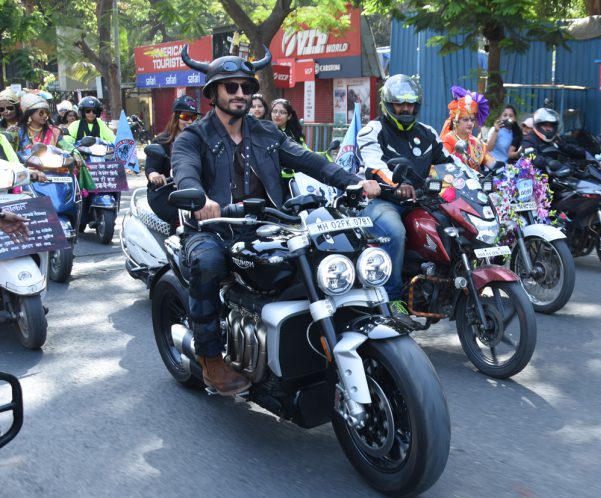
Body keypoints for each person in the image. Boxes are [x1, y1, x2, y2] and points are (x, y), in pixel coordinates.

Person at [176, 46, 380, 396]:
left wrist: (353, 181)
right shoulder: (193, 136)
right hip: (213, 229)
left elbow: (311, 161)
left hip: (266, 225)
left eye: (246, 87)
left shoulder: (266, 133)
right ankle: (210, 356)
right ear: (213, 92)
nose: (240, 93)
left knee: (320, 255)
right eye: (231, 87)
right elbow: (185, 170)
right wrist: (200, 199)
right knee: (207, 263)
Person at [357, 73, 453, 307]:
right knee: (395, 231)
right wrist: (397, 186)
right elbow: (375, 167)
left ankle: (447, 285)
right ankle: (390, 299)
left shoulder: (427, 133)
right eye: (400, 104)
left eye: (411, 104)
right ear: (388, 104)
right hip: (383, 201)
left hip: (420, 200)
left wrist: (478, 179)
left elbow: (450, 164)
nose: (406, 109)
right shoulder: (373, 130)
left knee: (454, 225)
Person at [145, 95, 200, 225]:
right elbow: (151, 167)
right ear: (176, 117)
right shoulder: (162, 141)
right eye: (185, 117)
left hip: (194, 191)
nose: (190, 121)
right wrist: (155, 176)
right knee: (180, 221)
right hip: (167, 192)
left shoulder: (200, 141)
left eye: (193, 117)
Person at [519, 107, 588, 171]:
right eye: (545, 125)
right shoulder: (529, 139)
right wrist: (549, 162)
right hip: (535, 176)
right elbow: (532, 156)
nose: (548, 129)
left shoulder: (555, 139)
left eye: (551, 126)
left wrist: (585, 153)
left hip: (557, 175)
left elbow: (566, 147)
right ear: (538, 125)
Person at [441, 94, 495, 172]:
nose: (470, 123)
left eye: (472, 120)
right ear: (455, 121)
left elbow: (492, 163)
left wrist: (508, 169)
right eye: (465, 120)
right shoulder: (447, 140)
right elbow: (442, 168)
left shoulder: (476, 142)